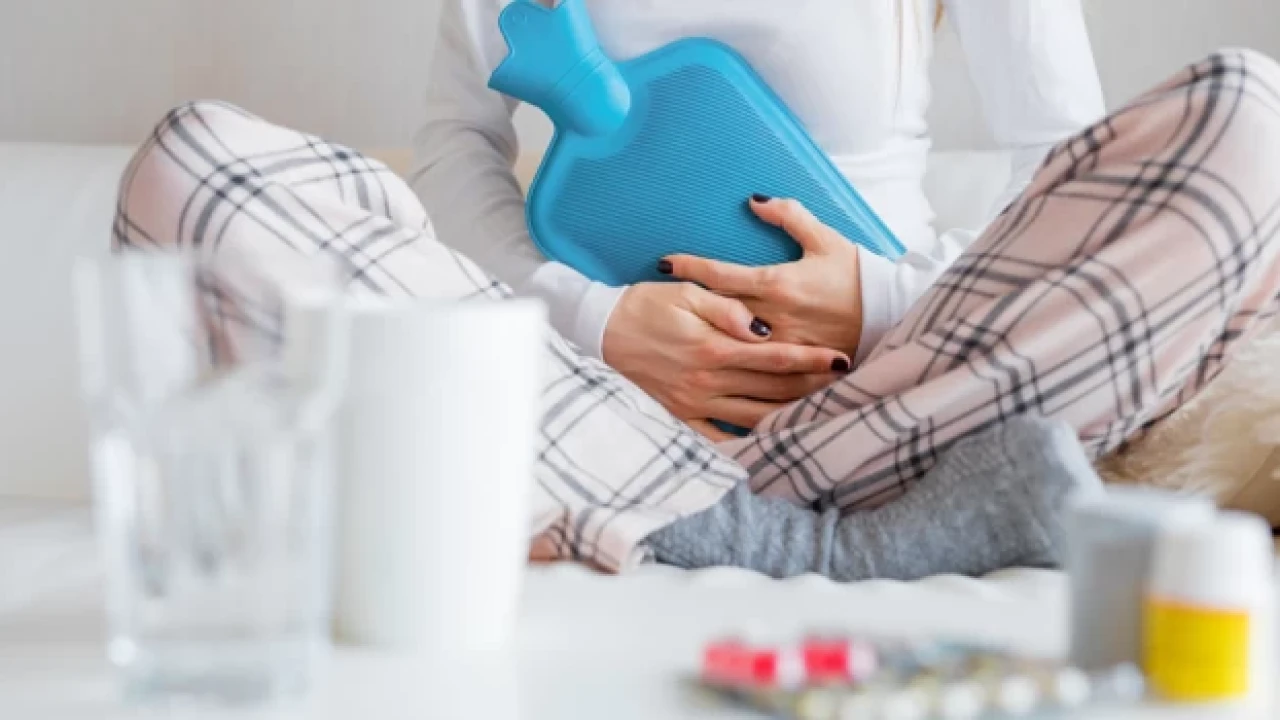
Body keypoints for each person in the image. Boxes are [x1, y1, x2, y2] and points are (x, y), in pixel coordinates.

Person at [113, 0, 1280, 579]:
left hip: (900, 392)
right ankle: (775, 531)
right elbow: (456, 152)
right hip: (594, 409)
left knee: (1246, 117)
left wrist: (878, 301)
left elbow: (1060, 168)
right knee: (196, 166)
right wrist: (594, 323)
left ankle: (716, 517)